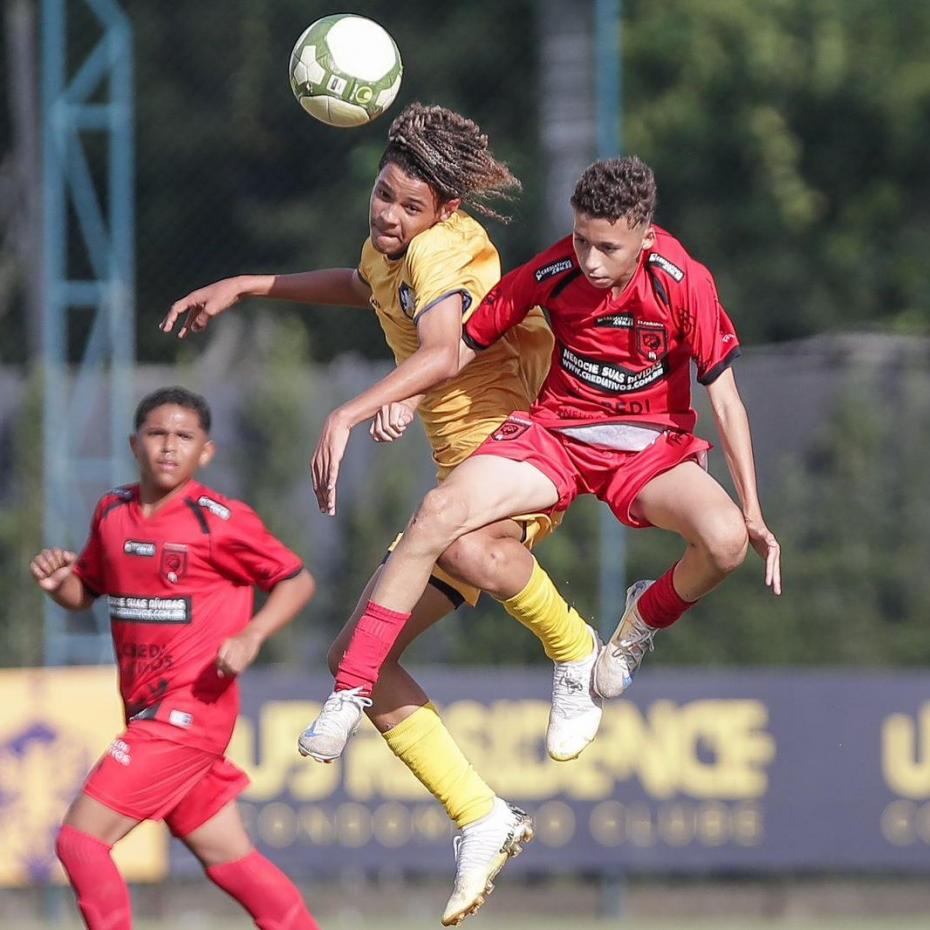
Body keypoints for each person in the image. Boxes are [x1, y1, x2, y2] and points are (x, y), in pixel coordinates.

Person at [161, 103, 602, 926]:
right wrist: (252, 284)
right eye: (383, 194)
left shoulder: (450, 247)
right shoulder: (395, 247)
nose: (389, 214)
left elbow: (442, 348)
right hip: (466, 473)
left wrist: (350, 411)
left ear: (447, 211)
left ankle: (574, 645)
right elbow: (366, 288)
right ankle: (481, 815)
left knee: (467, 544)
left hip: (527, 446)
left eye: (409, 205)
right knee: (355, 658)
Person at [302, 154, 783, 757]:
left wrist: (754, 510)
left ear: (645, 237)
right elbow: (462, 346)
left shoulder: (684, 283)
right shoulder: (555, 270)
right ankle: (349, 694)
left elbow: (728, 404)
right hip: (555, 437)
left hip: (649, 449)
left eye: (608, 247)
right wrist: (403, 397)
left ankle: (637, 624)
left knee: (726, 542)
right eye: (582, 240)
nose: (589, 260)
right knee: (437, 516)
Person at [31, 387, 320, 930]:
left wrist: (253, 634)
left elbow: (297, 580)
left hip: (189, 713)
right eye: (158, 433)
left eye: (184, 437)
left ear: (205, 452)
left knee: (79, 841)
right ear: (134, 443)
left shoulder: (219, 521)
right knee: (231, 862)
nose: (169, 447)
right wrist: (57, 585)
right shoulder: (112, 512)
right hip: (146, 711)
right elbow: (86, 591)